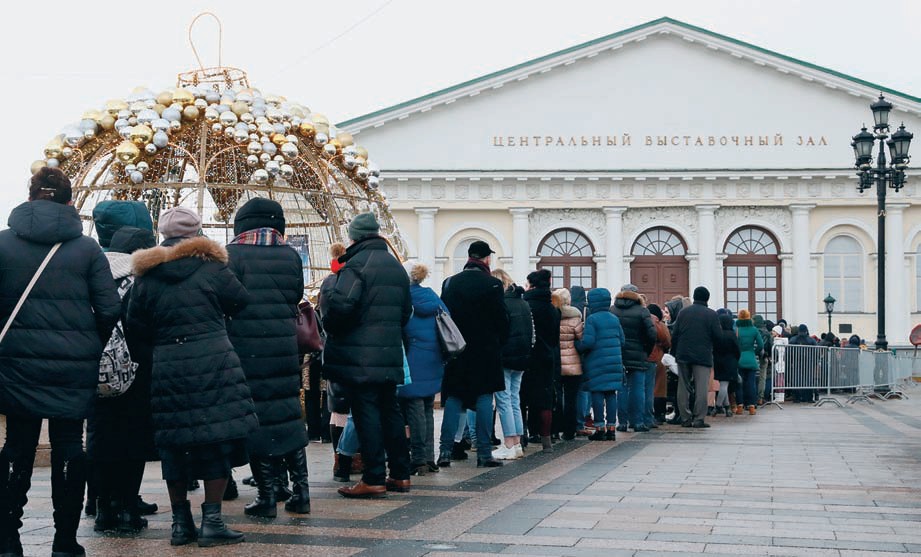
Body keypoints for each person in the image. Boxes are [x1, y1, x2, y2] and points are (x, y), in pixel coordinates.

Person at [0, 168, 121, 557]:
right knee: (69, 443)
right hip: (73, 364)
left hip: (15, 363)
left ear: (30, 197)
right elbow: (109, 309)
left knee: (17, 444)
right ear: (70, 202)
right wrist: (88, 344)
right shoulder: (87, 249)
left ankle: (7, 540)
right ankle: (65, 541)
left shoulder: (2, 244)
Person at [127, 206, 258, 547]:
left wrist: (161, 349)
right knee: (215, 439)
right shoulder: (212, 267)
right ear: (196, 233)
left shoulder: (147, 276)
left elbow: (135, 327)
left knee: (174, 444)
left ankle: (180, 524)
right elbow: (241, 301)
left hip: (168, 366)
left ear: (163, 235)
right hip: (214, 362)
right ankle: (212, 522)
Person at [225, 198, 311, 518]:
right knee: (288, 415)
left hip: (247, 350)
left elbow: (227, 300)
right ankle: (301, 492)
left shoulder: (232, 255)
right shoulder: (290, 255)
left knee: (256, 420)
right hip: (285, 349)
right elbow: (296, 295)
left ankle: (267, 496)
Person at [320, 212, 413, 498]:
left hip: (360, 357)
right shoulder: (396, 267)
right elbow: (405, 313)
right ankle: (400, 474)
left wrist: (331, 320)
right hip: (389, 353)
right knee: (391, 412)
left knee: (366, 413)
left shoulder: (357, 265)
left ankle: (373, 477)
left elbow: (340, 308)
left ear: (354, 237)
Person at [87, 225, 158, 535]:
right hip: (137, 371)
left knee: (101, 438)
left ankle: (104, 509)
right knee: (133, 439)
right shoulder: (143, 281)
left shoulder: (94, 278)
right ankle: (128, 509)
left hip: (97, 371)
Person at [438, 241, 510, 468]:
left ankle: (445, 451)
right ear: (487, 259)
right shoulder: (493, 284)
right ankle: (484, 453)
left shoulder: (450, 283)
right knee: (484, 399)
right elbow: (502, 320)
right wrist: (497, 343)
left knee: (453, 399)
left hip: (456, 351)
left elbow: (443, 318)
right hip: (485, 351)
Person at [398, 261, 448, 475]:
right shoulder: (432, 296)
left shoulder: (404, 299)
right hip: (433, 358)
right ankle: (429, 457)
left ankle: (418, 459)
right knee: (427, 408)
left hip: (412, 359)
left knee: (415, 409)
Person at [491, 269, 533, 461]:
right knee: (514, 399)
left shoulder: (502, 304)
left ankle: (509, 443)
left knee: (503, 400)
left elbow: (499, 332)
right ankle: (516, 443)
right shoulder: (523, 302)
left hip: (505, 357)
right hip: (522, 357)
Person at [576, 288, 625, 441]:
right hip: (614, 362)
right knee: (611, 394)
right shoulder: (614, 318)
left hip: (597, 362)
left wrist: (577, 345)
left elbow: (588, 342)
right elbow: (622, 340)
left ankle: (599, 428)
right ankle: (611, 428)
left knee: (597, 393)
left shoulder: (592, 319)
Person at [671, 286, 723, 428]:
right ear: (707, 298)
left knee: (683, 386)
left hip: (683, 354)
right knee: (701, 388)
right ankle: (699, 418)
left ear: (694, 296)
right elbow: (718, 337)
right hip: (703, 355)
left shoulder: (683, 312)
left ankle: (685, 417)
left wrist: (674, 353)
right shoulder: (711, 314)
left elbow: (675, 334)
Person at [521, 269, 561, 452]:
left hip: (527, 357)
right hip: (546, 357)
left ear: (531, 285)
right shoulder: (553, 309)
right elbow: (554, 338)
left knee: (521, 399)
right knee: (545, 400)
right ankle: (546, 440)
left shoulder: (526, 306)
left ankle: (522, 436)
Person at [611, 284, 657, 432]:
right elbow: (652, 335)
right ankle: (637, 422)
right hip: (639, 354)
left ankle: (622, 423)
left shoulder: (612, 310)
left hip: (618, 355)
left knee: (621, 390)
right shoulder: (642, 311)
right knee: (638, 389)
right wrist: (646, 350)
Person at [556, 288, 584, 440]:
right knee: (571, 398)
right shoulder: (575, 318)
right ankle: (570, 430)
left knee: (556, 396)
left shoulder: (553, 316)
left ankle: (556, 427)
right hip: (573, 364)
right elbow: (581, 340)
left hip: (556, 362)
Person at [645, 304, 671, 428]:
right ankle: (659, 414)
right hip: (657, 356)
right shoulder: (658, 324)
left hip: (643, 356)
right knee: (659, 386)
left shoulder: (642, 320)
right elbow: (667, 340)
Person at [735, 309, 765, 415]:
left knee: (739, 384)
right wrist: (754, 352)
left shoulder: (736, 329)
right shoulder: (754, 329)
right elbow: (761, 345)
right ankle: (752, 407)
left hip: (739, 359)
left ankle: (740, 406)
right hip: (751, 359)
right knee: (751, 384)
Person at [713, 314, 741, 417]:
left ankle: (727, 407)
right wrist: (736, 359)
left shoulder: (717, 334)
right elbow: (737, 350)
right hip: (730, 361)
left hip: (718, 361)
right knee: (724, 385)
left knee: (723, 384)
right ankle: (718, 405)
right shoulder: (731, 334)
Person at [753, 315, 773, 404]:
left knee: (752, 376)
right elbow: (770, 345)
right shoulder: (767, 333)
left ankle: (753, 397)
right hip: (764, 356)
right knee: (762, 377)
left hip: (754, 355)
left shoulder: (753, 331)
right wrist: (769, 356)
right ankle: (760, 398)